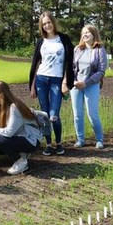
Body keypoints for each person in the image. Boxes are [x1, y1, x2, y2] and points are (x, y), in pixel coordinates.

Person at [29, 11, 74, 156]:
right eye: (44, 24)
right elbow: (36, 64)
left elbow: (69, 62)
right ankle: (48, 144)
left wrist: (66, 81)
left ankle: (59, 143)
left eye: (49, 22)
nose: (47, 25)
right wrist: (32, 86)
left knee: (54, 115)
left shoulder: (64, 39)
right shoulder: (41, 41)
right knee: (44, 114)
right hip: (42, 79)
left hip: (57, 80)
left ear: (53, 22)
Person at [0, 81, 42, 175]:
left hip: (32, 141)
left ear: (1, 95)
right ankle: (22, 154)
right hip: (21, 138)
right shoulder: (5, 107)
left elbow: (9, 132)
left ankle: (21, 162)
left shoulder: (14, 107)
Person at [70, 24, 108, 149]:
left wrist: (86, 83)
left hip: (91, 85)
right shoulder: (77, 49)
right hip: (76, 86)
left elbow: (101, 71)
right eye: (83, 32)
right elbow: (70, 67)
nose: (85, 35)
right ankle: (80, 139)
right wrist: (74, 81)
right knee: (77, 114)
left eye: (88, 32)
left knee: (92, 114)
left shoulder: (99, 50)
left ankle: (99, 139)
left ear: (94, 35)